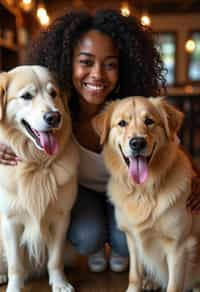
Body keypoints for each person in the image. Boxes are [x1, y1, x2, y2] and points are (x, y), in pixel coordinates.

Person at [0, 9, 199, 273]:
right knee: (87, 235)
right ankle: (94, 247)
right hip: (81, 193)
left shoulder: (132, 110)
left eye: (110, 64)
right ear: (67, 63)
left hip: (130, 191)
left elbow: (174, 149)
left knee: (125, 241)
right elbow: (13, 120)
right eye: (86, 62)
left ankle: (121, 248)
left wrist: (195, 178)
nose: (98, 74)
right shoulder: (52, 110)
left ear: (123, 68)